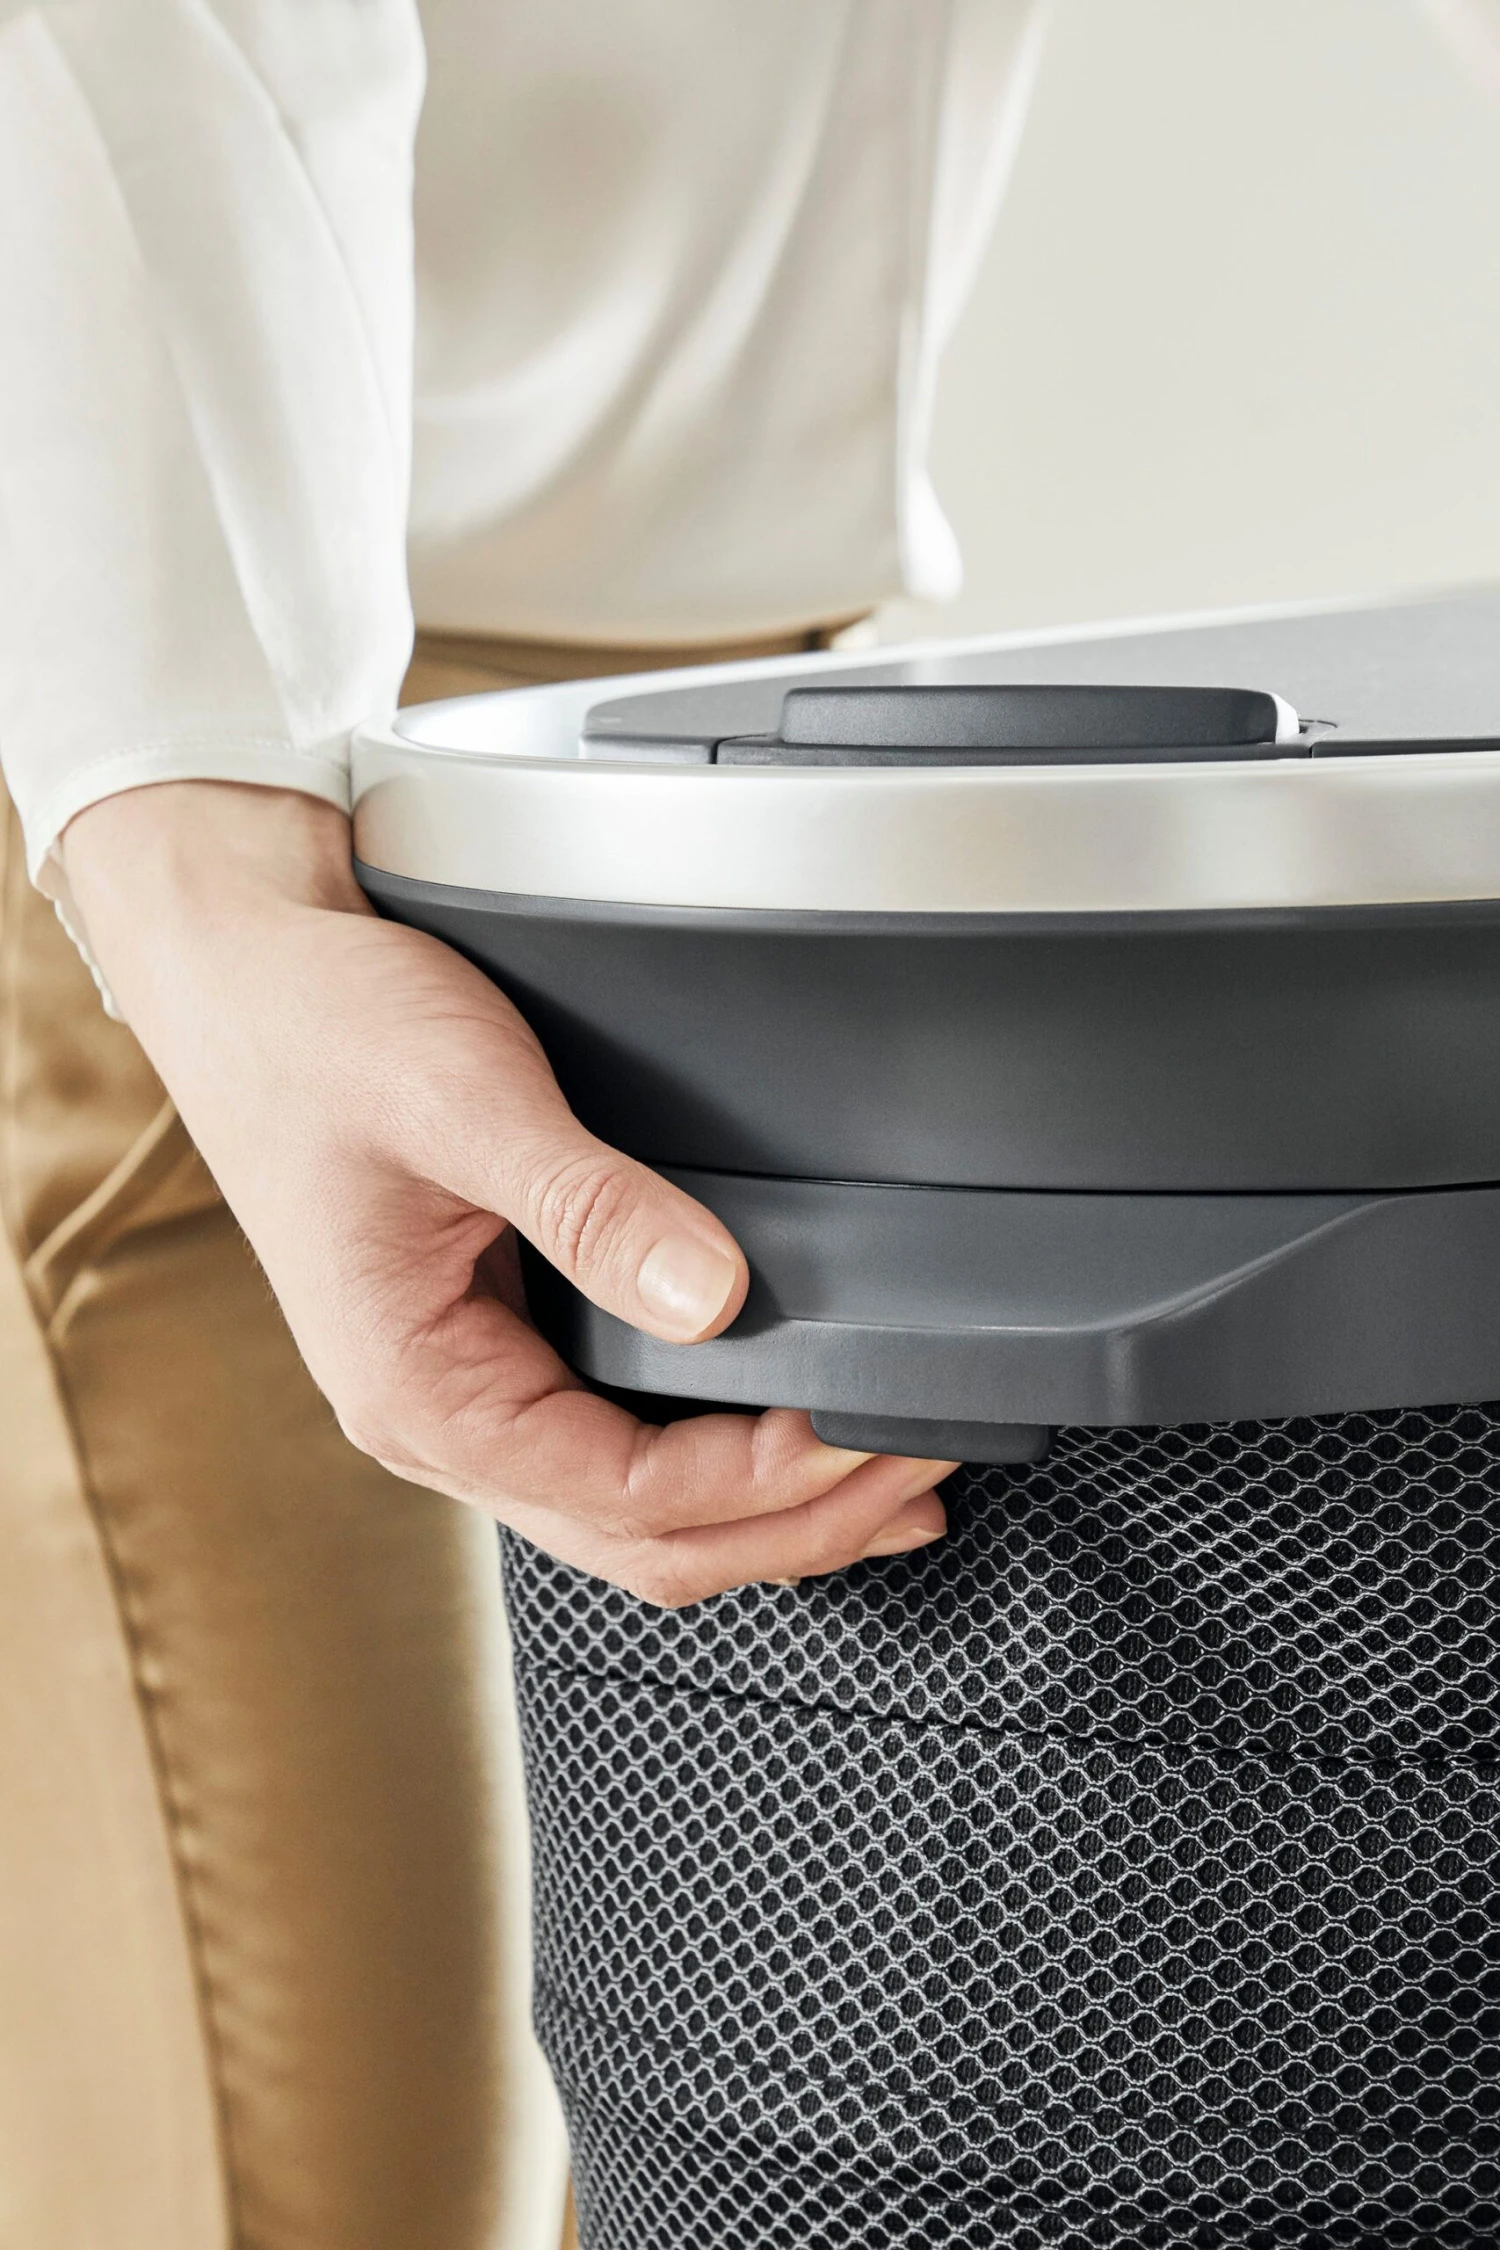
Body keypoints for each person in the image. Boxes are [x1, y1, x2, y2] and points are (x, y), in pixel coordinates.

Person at [0, 5, 1049, 2246]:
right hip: (190, 781)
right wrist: (202, 871)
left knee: (761, 2155)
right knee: (340, 2184)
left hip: (756, 783)